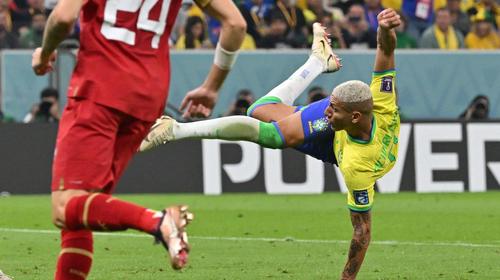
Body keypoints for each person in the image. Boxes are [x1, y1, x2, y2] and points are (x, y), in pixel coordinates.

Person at [141, 9, 401, 279]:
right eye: (330, 106)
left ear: (355, 116)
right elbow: (385, 47)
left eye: (333, 109)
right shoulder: (379, 99)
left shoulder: (357, 166)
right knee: (273, 133)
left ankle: (318, 61)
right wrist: (384, 27)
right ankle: (175, 129)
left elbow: (362, 232)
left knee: (260, 110)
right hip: (341, 133)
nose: (326, 110)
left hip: (337, 145)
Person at [31, 0, 246, 277]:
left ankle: (159, 222)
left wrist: (45, 52)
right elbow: (236, 23)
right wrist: (211, 87)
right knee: (85, 207)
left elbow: (62, 18)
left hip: (99, 89)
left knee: (65, 208)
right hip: (149, 96)